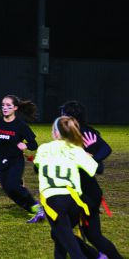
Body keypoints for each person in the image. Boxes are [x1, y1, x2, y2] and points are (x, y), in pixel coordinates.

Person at [61, 101, 123, 259]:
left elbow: (105, 152)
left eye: (62, 115)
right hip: (81, 193)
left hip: (86, 195)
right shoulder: (68, 135)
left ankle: (96, 256)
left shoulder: (86, 133)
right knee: (93, 236)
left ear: (71, 118)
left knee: (61, 233)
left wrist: (92, 158)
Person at [34, 116, 99, 258]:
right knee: (59, 238)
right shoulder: (76, 149)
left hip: (54, 202)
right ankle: (96, 255)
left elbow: (37, 165)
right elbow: (94, 169)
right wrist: (89, 154)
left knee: (74, 251)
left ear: (56, 133)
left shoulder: (44, 148)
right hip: (74, 202)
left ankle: (97, 256)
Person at [0, 95, 44, 222]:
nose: (4, 108)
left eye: (8, 105)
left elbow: (34, 145)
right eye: (3, 105)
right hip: (1, 161)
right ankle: (34, 210)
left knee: (13, 185)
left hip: (15, 161)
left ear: (15, 108)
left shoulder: (20, 125)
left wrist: (26, 145)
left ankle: (37, 207)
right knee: (9, 190)